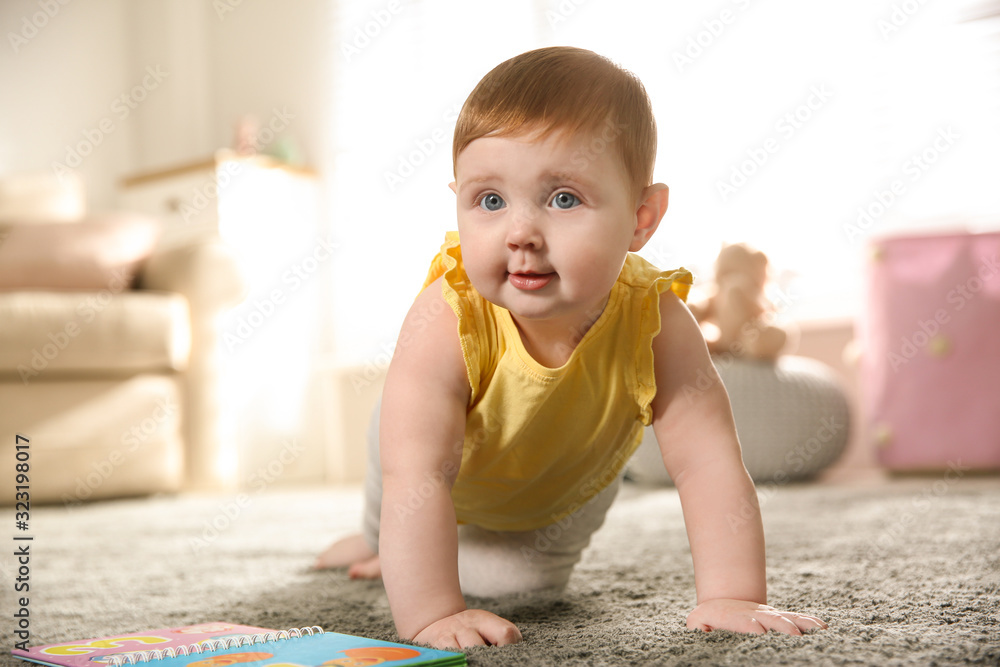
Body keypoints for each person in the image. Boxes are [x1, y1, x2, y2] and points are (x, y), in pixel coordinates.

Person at [316, 46, 827, 650]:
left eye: (563, 199)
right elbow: (417, 473)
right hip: (435, 462)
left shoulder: (657, 320)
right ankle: (378, 540)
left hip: (562, 488)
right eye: (490, 200)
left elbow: (708, 460)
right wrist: (430, 615)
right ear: (457, 198)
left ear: (641, 217)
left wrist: (732, 594)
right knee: (399, 472)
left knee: (519, 587)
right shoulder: (445, 316)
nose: (521, 234)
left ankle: (425, 549)